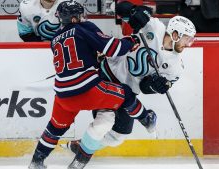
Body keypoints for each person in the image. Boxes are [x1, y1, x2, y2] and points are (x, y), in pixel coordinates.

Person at [62, 0, 197, 166]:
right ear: (175, 35)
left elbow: (144, 88)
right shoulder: (153, 27)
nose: (188, 44)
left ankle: (81, 146)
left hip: (128, 92)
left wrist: (154, 85)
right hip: (106, 74)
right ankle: (80, 160)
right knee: (104, 122)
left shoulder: (176, 68)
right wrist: (134, 10)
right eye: (187, 39)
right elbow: (118, 8)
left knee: (118, 136)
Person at [28, 1, 154, 169]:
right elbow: (113, 48)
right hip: (88, 89)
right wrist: (131, 41)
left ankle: (36, 162)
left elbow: (76, 56)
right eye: (80, 16)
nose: (83, 18)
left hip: (62, 95)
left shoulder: (54, 40)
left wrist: (94, 58)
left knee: (55, 128)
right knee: (125, 94)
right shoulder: (82, 27)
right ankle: (146, 119)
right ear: (73, 19)